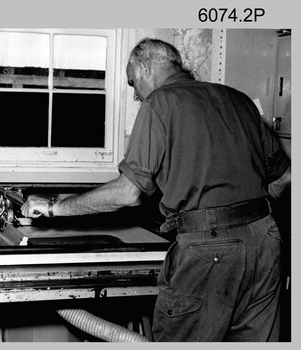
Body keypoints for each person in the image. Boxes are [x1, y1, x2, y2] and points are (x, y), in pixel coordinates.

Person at [21, 38, 291, 342]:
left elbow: (127, 193)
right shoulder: (238, 100)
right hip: (266, 242)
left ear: (146, 67)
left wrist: (54, 205)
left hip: (208, 250)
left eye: (133, 83)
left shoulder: (160, 102)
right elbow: (284, 177)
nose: (136, 95)